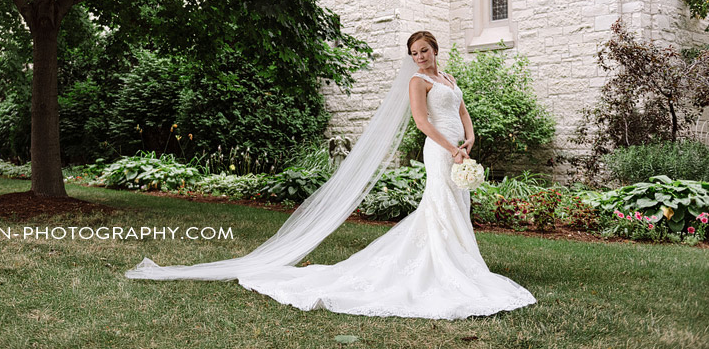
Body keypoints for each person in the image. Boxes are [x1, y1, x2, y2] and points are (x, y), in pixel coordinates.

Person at [126, 31, 537, 319]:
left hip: (459, 150)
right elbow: (421, 122)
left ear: (435, 49)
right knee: (440, 204)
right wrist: (451, 149)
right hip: (439, 150)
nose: (421, 57)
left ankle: (462, 262)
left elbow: (464, 114)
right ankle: (450, 265)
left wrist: (469, 143)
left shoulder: (447, 78)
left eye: (425, 50)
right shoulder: (416, 82)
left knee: (454, 205)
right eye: (415, 52)